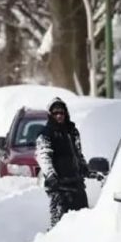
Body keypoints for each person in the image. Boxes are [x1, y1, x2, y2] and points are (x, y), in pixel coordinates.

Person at [35, 97, 94, 228]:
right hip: (59, 188)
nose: (59, 115)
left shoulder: (72, 131)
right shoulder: (45, 134)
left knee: (84, 223)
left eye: (61, 112)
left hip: (77, 184)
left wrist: (84, 167)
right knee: (59, 227)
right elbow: (43, 156)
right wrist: (50, 175)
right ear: (50, 115)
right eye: (56, 113)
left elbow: (78, 153)